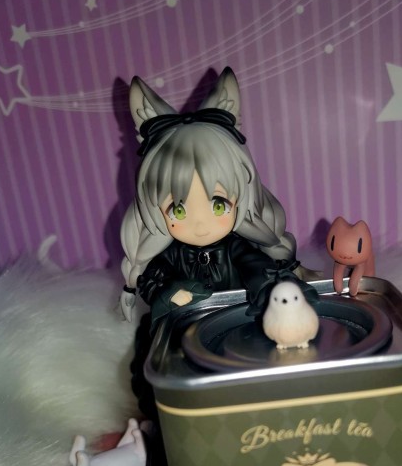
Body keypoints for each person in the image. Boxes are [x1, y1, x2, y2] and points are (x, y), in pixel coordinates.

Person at [119, 68, 309, 417]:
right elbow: (152, 278)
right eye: (178, 209)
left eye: (218, 204)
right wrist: (169, 293)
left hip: (236, 326)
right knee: (161, 371)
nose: (200, 224)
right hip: (183, 334)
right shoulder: (169, 254)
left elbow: (254, 263)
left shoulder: (235, 245)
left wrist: (268, 283)